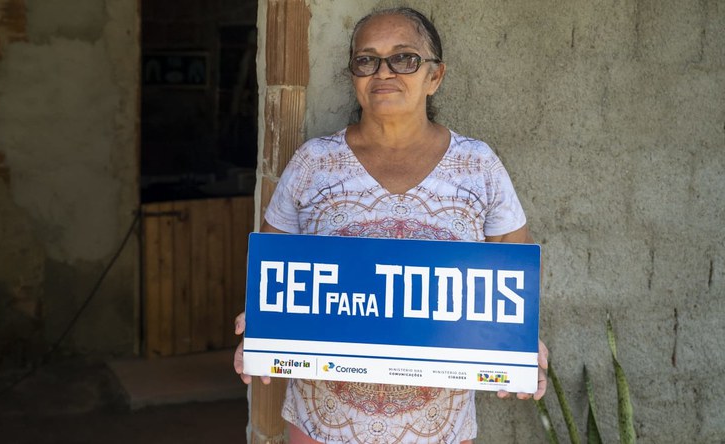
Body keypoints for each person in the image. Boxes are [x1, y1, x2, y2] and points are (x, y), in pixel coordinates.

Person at [234, 7, 548, 443]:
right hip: (322, 424)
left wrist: (522, 340)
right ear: (354, 76)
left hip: (439, 427)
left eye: (404, 58)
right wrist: (263, 327)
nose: (383, 71)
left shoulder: (478, 166)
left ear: (434, 77)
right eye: (367, 59)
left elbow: (511, 277)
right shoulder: (313, 163)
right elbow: (276, 276)